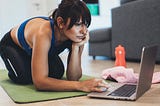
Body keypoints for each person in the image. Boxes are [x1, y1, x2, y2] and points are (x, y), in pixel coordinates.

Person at [0, 0, 108, 92]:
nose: (84, 31)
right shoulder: (43, 33)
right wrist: (80, 86)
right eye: (78, 24)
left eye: (85, 24)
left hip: (37, 48)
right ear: (61, 23)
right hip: (12, 45)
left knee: (57, 72)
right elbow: (40, 83)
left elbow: (73, 77)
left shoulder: (75, 35)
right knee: (24, 77)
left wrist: (76, 47)